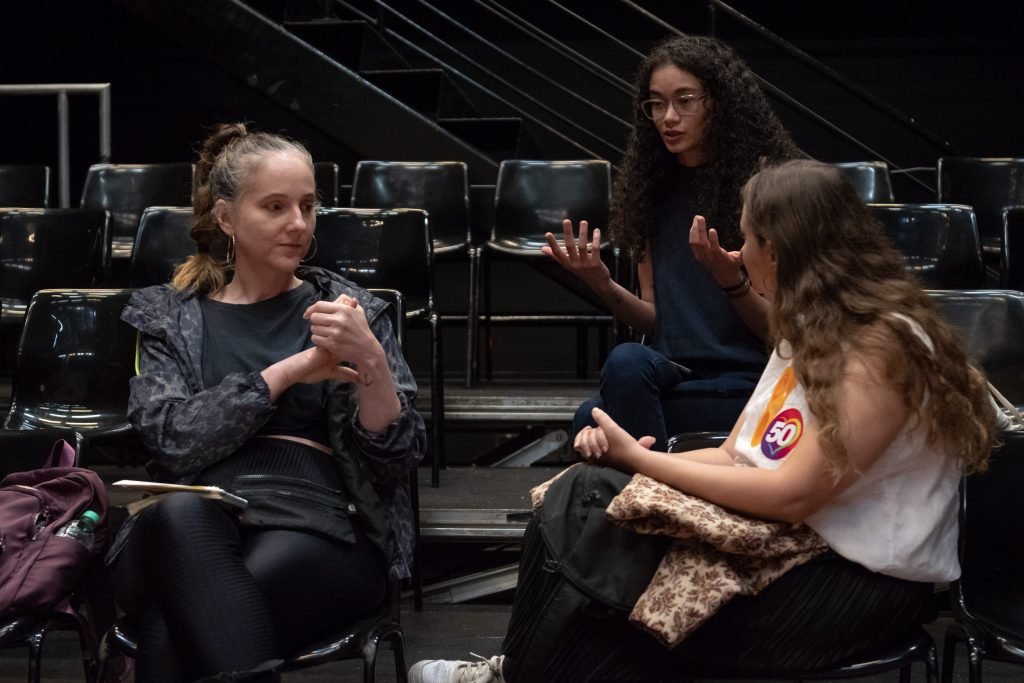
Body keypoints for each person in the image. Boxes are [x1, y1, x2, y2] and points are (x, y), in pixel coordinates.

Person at [409, 159, 996, 683]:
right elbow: (738, 454)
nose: (737, 254)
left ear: (780, 248)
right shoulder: (811, 329)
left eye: (746, 239)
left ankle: (509, 674)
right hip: (794, 550)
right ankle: (513, 670)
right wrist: (631, 461)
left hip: (856, 587)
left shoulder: (882, 344)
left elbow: (792, 494)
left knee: (608, 579)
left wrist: (641, 461)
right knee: (585, 491)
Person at [106, 123, 426, 682]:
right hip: (196, 514)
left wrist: (372, 366)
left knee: (168, 634)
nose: (298, 224)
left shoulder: (352, 313)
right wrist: (288, 371)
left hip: (319, 519)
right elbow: (173, 441)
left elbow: (396, 462)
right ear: (227, 217)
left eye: (307, 206)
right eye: (275, 207)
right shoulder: (170, 316)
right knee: (182, 514)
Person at [542, 34, 802, 450]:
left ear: (717, 102)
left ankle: (652, 493)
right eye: (657, 104)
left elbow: (781, 332)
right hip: (675, 374)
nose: (668, 117)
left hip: (749, 381)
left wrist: (730, 281)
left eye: (685, 101)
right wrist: (601, 283)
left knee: (589, 419)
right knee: (624, 366)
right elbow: (656, 320)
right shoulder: (651, 191)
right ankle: (662, 494)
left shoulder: (762, 194)